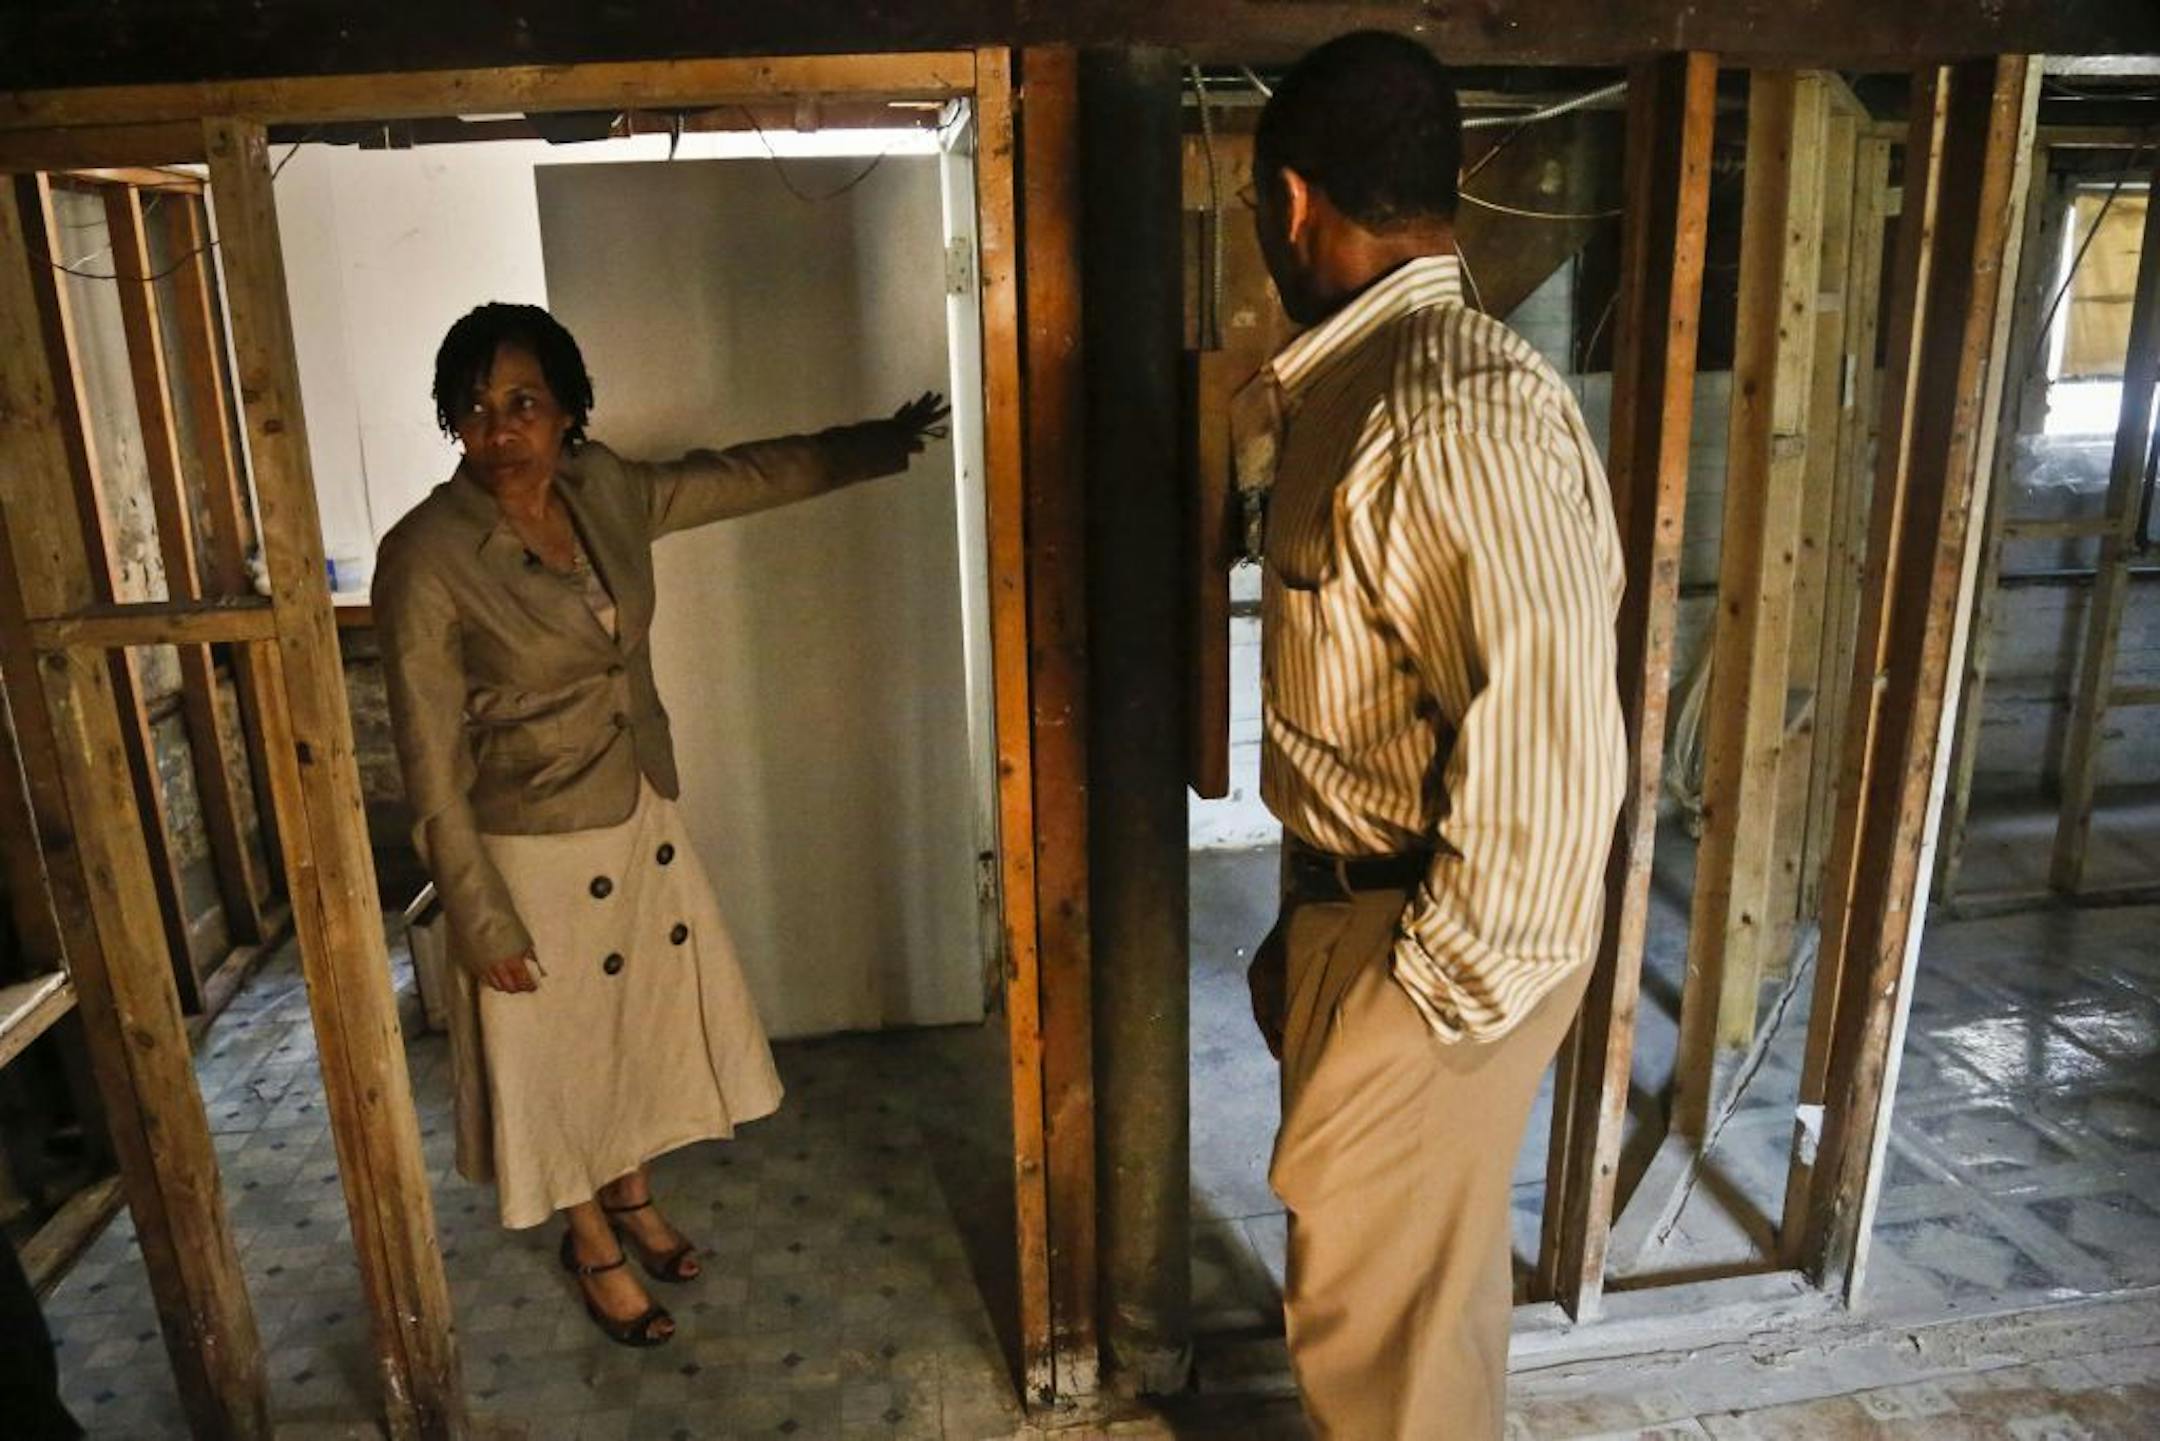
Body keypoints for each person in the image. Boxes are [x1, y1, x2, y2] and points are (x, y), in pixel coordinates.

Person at [376, 301, 947, 1348]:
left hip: (636, 805)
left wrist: (874, 444)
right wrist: (477, 913)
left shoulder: (608, 491)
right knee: (558, 1061)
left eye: (523, 403)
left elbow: (742, 475)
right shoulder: (426, 551)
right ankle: (589, 1233)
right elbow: (425, 756)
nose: (499, 431)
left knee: (632, 1035)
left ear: (566, 410)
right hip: (525, 843)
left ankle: (631, 1193)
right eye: (474, 411)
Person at [1237, 33, 1627, 1438]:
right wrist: (1315, 927)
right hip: (1370, 915)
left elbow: (1550, 781)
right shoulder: (1375, 383)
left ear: (1292, 203)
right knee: (1389, 1335)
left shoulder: (1446, 408)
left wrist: (1404, 1018)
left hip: (1436, 957)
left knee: (1394, 1371)